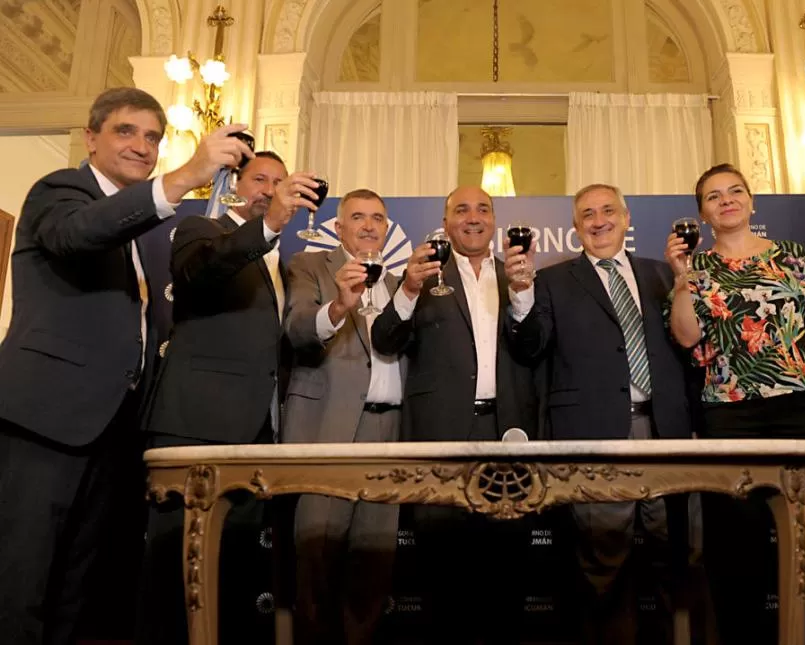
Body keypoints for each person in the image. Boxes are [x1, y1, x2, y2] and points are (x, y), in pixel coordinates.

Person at [0, 87, 252, 645]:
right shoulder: (60, 192)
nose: (142, 145)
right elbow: (78, 235)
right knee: (21, 586)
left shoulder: (140, 228)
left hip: (113, 430)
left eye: (153, 137)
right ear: (90, 137)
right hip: (47, 421)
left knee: (79, 589)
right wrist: (189, 174)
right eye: (126, 131)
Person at [663, 162, 805, 645]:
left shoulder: (792, 258)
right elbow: (686, 337)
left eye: (735, 191)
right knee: (735, 545)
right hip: (730, 414)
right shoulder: (698, 268)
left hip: (803, 410)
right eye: (713, 195)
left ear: (752, 202)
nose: (726, 200)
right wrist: (683, 277)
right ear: (703, 214)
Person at [137, 151, 318, 645]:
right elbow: (201, 273)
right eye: (261, 179)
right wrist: (270, 225)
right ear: (236, 184)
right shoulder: (201, 229)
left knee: (235, 574)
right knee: (175, 573)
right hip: (194, 425)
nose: (271, 189)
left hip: (256, 433)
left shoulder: (288, 262)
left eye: (281, 182)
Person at [504, 183, 696, 644]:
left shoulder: (663, 275)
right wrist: (520, 293)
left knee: (677, 558)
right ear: (575, 228)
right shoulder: (550, 279)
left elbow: (689, 349)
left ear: (626, 219)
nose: (598, 220)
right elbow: (530, 348)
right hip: (594, 433)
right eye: (587, 214)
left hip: (665, 431)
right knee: (602, 566)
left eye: (608, 210)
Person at [370, 185, 538, 643]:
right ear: (446, 225)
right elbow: (385, 340)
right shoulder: (422, 277)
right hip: (439, 435)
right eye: (461, 209)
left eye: (483, 208)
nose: (473, 217)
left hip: (507, 434)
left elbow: (533, 350)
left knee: (508, 561)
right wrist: (407, 289)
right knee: (442, 565)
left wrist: (523, 296)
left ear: (495, 221)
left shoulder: (516, 275)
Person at [283, 188, 404, 645]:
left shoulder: (398, 285)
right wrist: (338, 306)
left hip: (388, 432)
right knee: (317, 559)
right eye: (358, 217)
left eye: (377, 218)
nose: (369, 225)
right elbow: (297, 330)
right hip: (327, 433)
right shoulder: (309, 267)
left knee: (374, 565)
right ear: (339, 227)